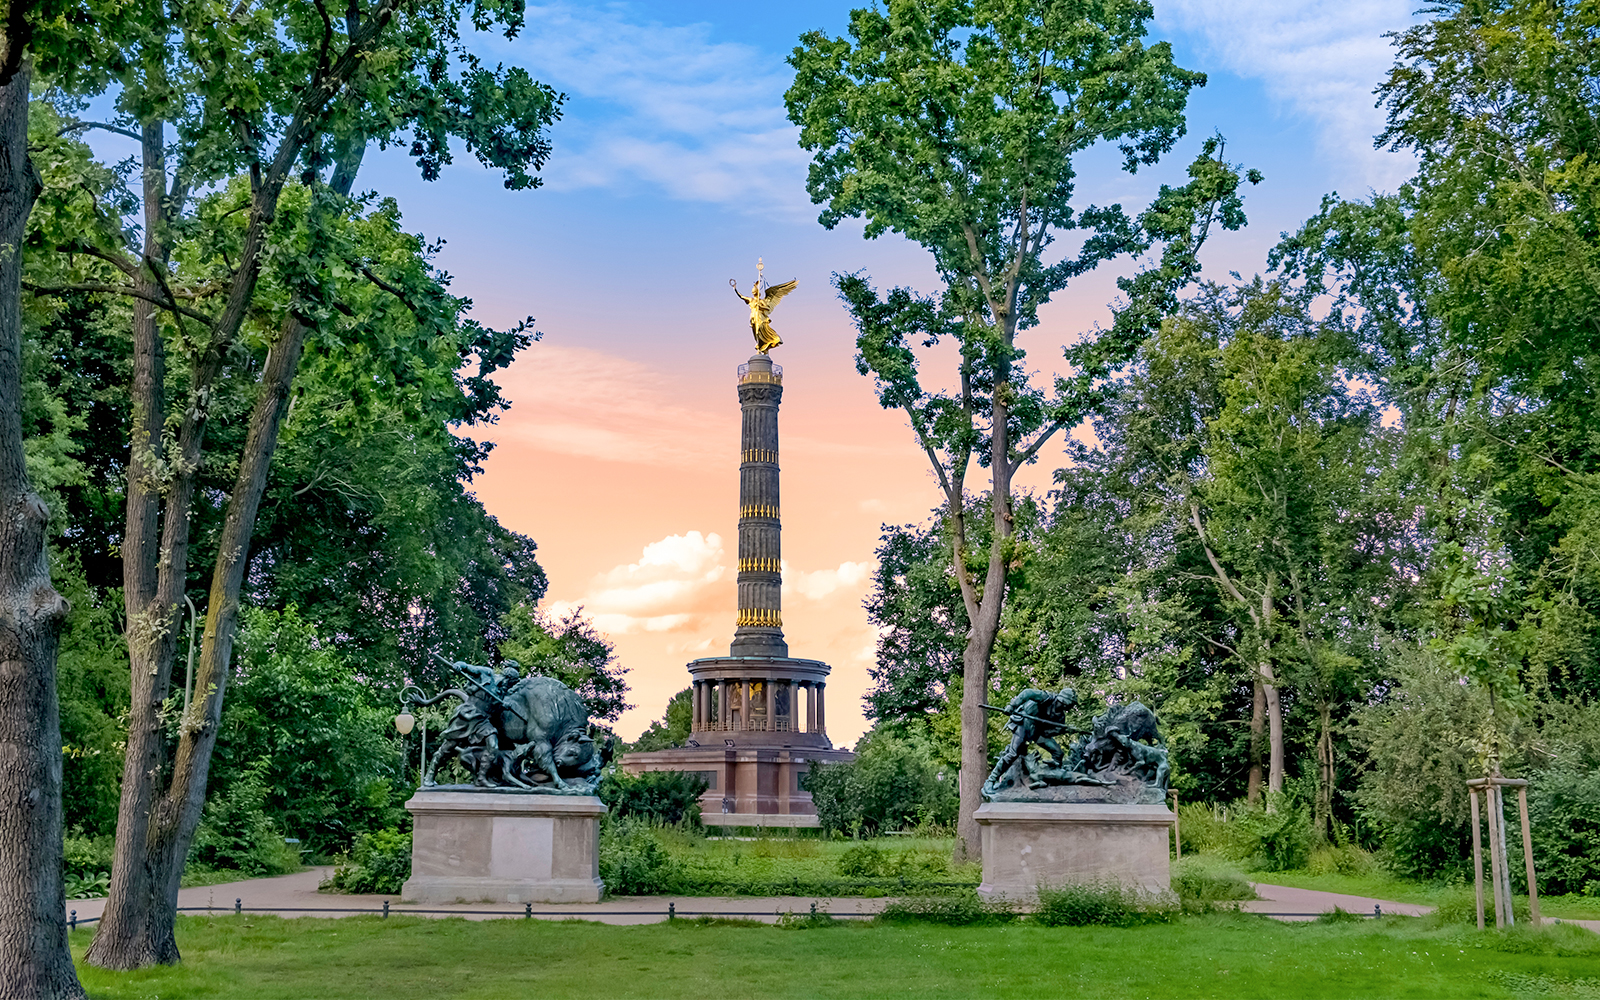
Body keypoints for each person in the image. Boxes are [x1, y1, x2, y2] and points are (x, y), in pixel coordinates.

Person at [984, 687, 1079, 791]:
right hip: (1024, 722)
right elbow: (1027, 692)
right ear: (1060, 700)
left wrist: (1064, 730)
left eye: (1069, 705)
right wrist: (1012, 706)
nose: (1066, 707)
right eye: (1066, 704)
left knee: (1058, 752)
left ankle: (1052, 779)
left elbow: (1048, 733)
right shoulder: (1046, 697)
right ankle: (991, 780)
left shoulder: (1060, 716)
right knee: (1013, 753)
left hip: (1037, 731)